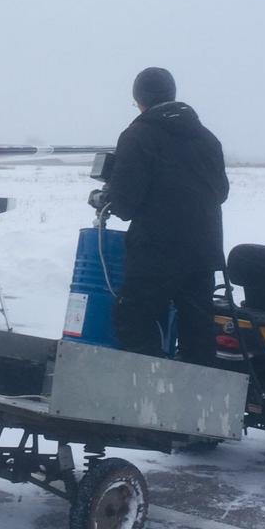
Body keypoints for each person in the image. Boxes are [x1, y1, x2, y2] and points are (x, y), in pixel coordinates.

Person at [98, 67, 229, 366]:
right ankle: (198, 389)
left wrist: (110, 195)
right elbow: (221, 192)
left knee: (132, 319)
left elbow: (125, 204)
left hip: (157, 251)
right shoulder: (207, 138)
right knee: (197, 331)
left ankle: (153, 387)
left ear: (140, 99)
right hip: (203, 251)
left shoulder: (138, 134)